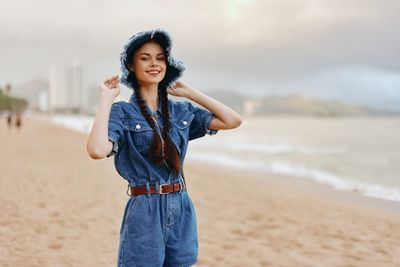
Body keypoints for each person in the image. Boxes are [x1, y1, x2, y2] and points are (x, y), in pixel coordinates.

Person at [86, 28, 242, 267]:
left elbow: (232, 121)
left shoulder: (181, 111)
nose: (154, 64)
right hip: (145, 209)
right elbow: (97, 150)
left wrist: (190, 92)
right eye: (145, 58)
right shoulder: (122, 112)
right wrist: (106, 99)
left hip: (181, 204)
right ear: (131, 66)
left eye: (160, 58)